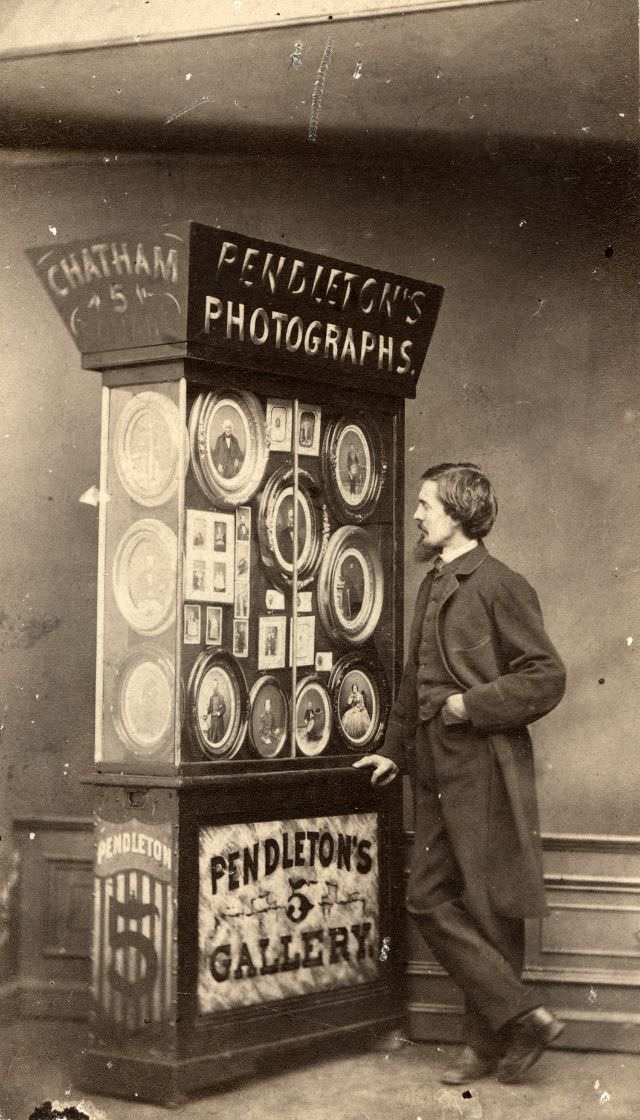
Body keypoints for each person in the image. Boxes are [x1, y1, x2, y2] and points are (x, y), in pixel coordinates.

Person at [354, 462, 566, 1086]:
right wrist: (393, 749)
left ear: (458, 512)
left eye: (426, 505)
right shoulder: (433, 582)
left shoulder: (502, 584)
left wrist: (469, 705)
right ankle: (523, 1017)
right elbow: (410, 681)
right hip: (434, 767)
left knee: (489, 906)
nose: (417, 514)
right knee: (428, 898)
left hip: (486, 767)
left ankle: (484, 1044)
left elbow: (546, 676)